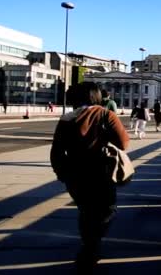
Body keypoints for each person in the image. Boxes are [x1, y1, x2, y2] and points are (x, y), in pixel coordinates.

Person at [50, 82, 129, 271]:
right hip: (101, 173)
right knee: (108, 209)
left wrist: (62, 173)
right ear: (96, 96)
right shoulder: (105, 114)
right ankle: (91, 246)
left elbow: (56, 152)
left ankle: (88, 245)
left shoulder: (66, 118)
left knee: (86, 211)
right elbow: (124, 144)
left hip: (75, 174)